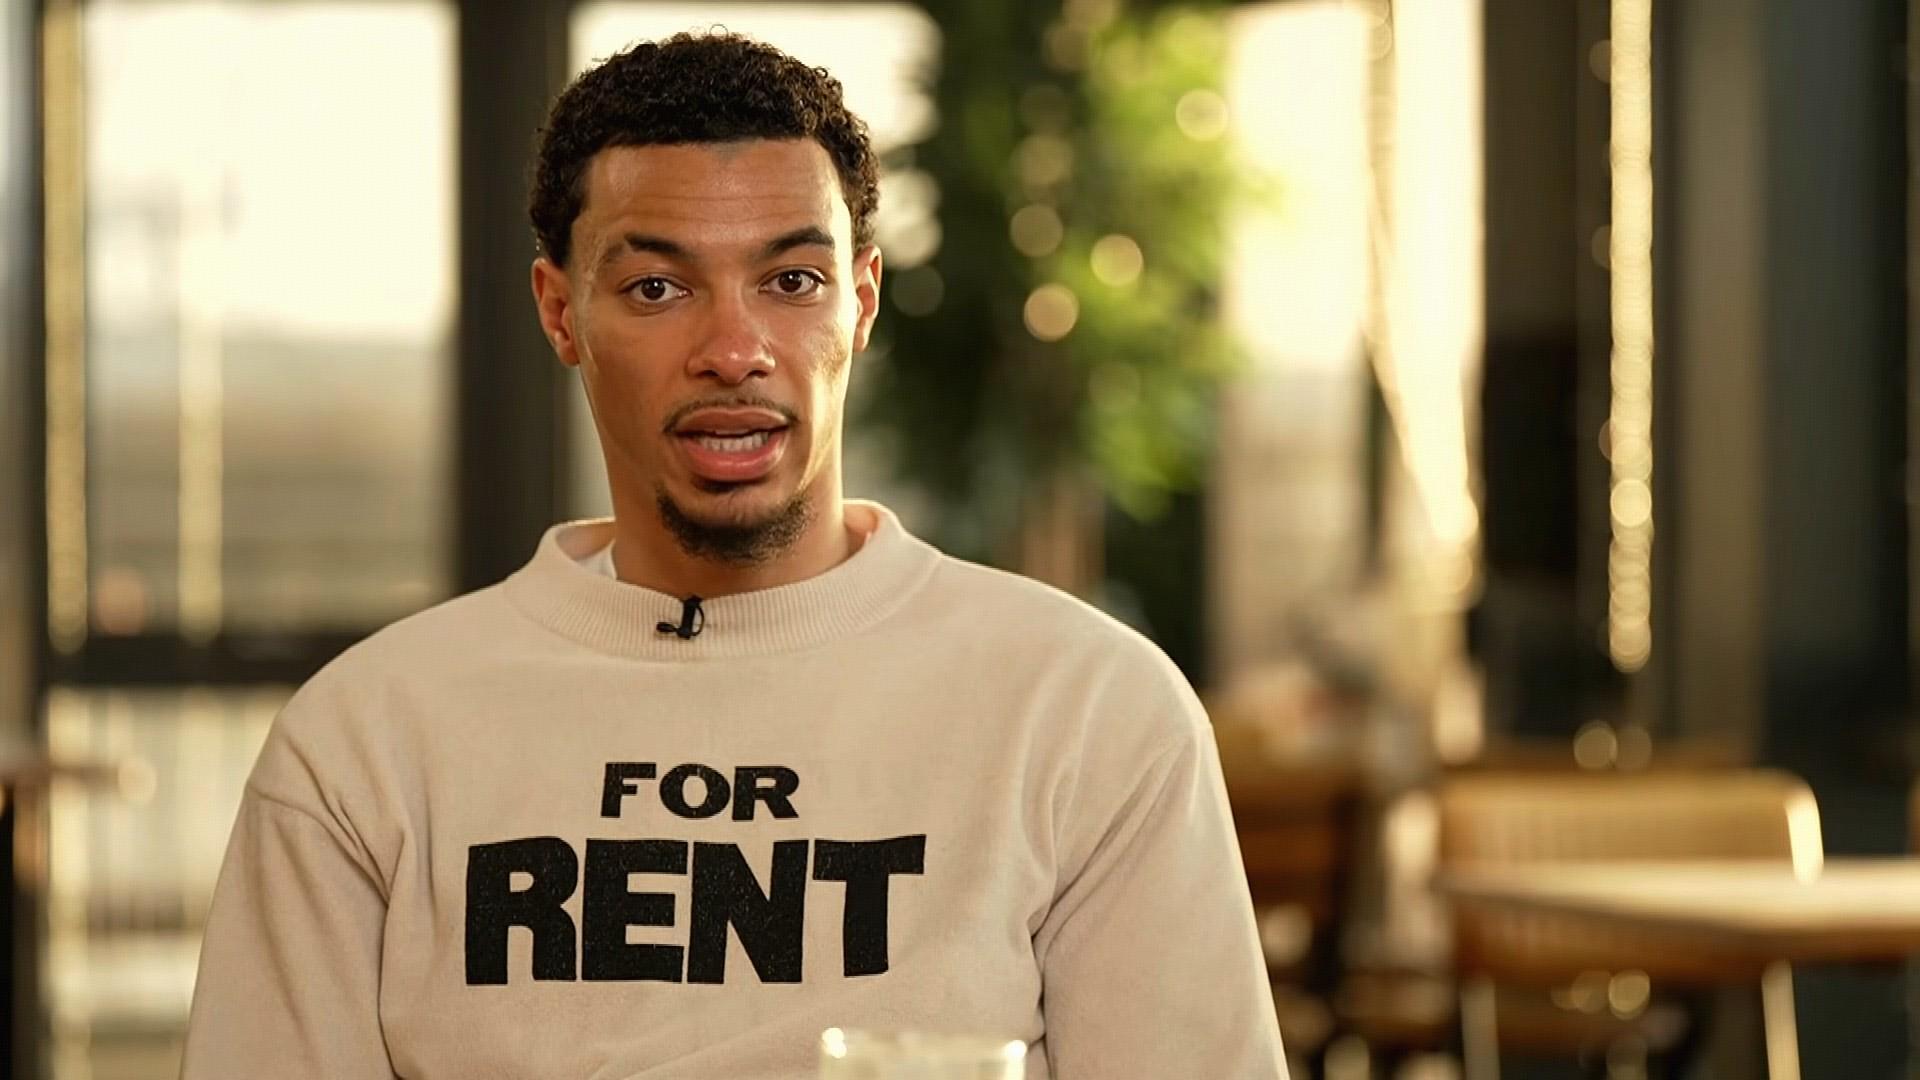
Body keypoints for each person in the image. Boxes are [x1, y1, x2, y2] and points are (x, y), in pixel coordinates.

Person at [180, 31, 1286, 1080]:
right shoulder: (368, 742)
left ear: (861, 303)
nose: (733, 350)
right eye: (657, 289)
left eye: (791, 281)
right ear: (560, 313)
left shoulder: (1087, 711)